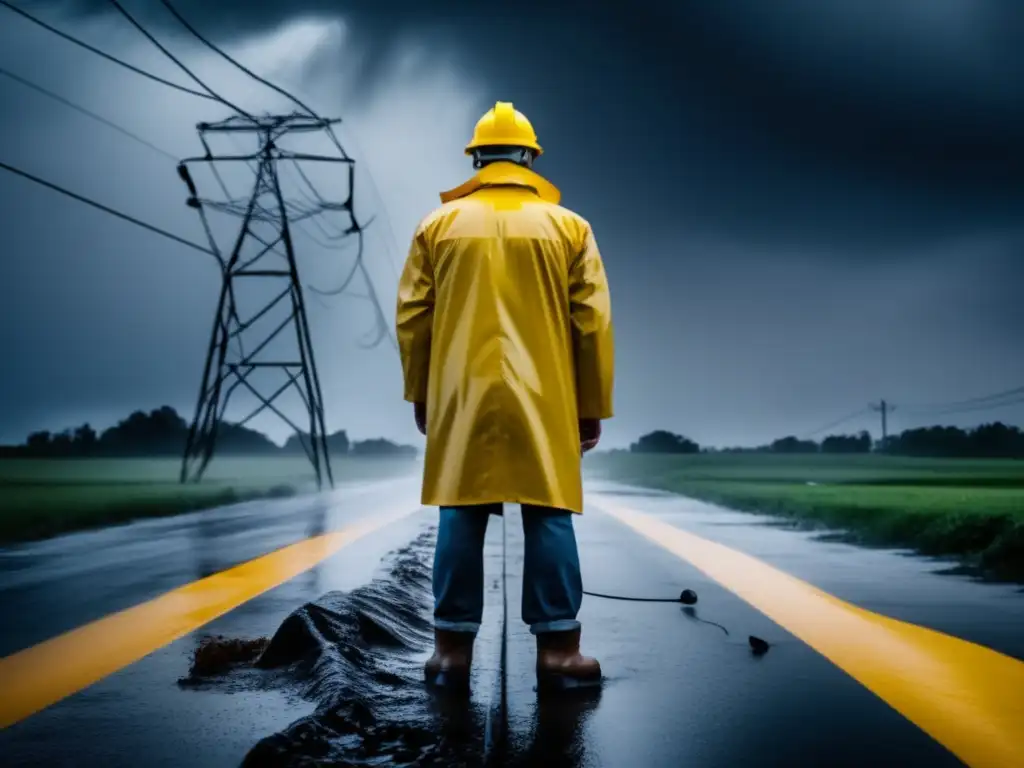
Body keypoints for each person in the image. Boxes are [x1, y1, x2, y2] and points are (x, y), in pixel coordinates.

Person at [395, 101, 615, 692]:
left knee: (460, 512)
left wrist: (422, 392)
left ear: (475, 158)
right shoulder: (570, 227)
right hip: (545, 396)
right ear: (530, 158)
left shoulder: (436, 226)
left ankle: (449, 657)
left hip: (461, 394)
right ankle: (560, 656)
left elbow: (414, 318)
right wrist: (589, 405)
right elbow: (591, 324)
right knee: (549, 514)